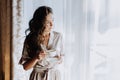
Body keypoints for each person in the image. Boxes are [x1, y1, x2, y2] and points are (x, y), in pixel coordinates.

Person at [19, 6, 64, 80]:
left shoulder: (58, 37)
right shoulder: (30, 39)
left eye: (52, 20)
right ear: (40, 23)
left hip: (54, 76)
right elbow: (25, 67)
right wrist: (36, 58)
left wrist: (58, 59)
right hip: (37, 76)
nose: (52, 24)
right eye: (48, 22)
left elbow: (62, 58)